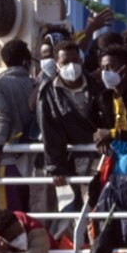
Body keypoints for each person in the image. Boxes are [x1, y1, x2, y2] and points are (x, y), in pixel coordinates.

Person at [37, 40, 100, 213]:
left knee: (96, 205)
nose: (71, 66)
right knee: (71, 210)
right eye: (66, 62)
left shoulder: (96, 85)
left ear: (81, 61)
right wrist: (56, 167)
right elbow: (48, 130)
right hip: (69, 160)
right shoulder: (48, 92)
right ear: (57, 65)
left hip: (96, 155)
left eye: (75, 60)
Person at [0, 40, 37, 212]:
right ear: (26, 61)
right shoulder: (37, 85)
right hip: (36, 163)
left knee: (12, 220)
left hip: (9, 162)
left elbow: (1, 119)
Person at [93, 44, 127, 150]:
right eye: (103, 68)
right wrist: (100, 137)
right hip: (117, 153)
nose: (105, 72)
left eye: (110, 67)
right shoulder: (102, 97)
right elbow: (95, 124)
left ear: (125, 68)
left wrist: (112, 133)